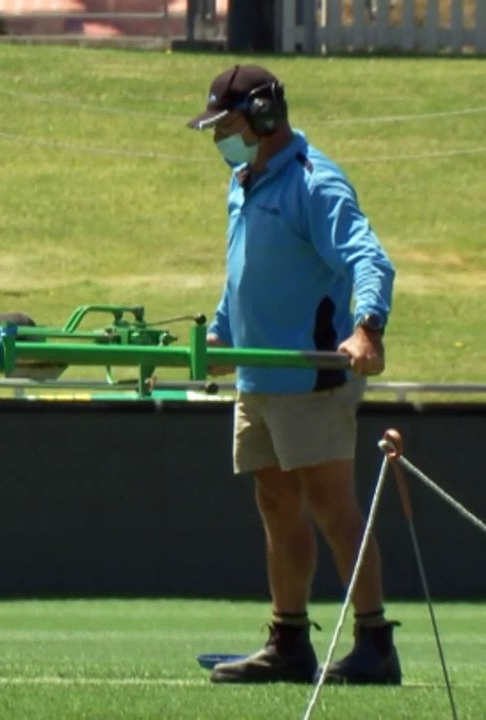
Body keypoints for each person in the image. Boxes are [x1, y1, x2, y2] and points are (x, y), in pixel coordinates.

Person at [186, 65, 400, 685]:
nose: (220, 139)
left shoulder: (315, 183)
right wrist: (224, 333)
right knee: (275, 501)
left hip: (309, 375)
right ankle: (288, 640)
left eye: (227, 125)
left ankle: (375, 641)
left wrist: (368, 327)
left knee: (332, 505)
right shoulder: (242, 179)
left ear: (264, 117)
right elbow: (243, 271)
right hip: (258, 377)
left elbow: (369, 257)